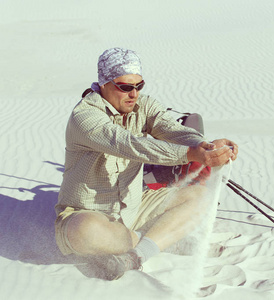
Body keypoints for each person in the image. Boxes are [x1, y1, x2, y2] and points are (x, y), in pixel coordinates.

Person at [54, 47, 238, 280]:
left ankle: (136, 255)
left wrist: (207, 146)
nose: (134, 94)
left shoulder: (144, 106)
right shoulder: (85, 117)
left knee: (201, 197)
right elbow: (130, 145)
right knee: (84, 231)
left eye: (139, 86)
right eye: (125, 87)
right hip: (89, 214)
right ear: (103, 84)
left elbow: (173, 130)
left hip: (133, 208)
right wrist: (192, 154)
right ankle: (159, 242)